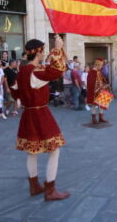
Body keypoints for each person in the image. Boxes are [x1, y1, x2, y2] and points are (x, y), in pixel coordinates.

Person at [10, 36, 70, 201]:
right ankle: (50, 190)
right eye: (43, 51)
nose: (44, 54)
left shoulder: (22, 71)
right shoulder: (36, 72)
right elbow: (57, 70)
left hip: (28, 114)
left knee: (32, 152)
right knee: (54, 150)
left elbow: (14, 91)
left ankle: (34, 186)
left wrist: (24, 99)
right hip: (41, 114)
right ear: (38, 52)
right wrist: (57, 47)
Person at [86, 58, 110, 124]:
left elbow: (102, 81)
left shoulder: (99, 72)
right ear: (97, 65)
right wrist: (98, 88)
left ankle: (101, 118)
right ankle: (94, 118)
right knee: (93, 105)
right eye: (101, 65)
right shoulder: (92, 72)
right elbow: (91, 83)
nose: (102, 67)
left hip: (100, 91)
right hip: (94, 92)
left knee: (101, 104)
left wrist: (104, 86)